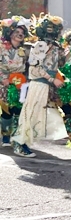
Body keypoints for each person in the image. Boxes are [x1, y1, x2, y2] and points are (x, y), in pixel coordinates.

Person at [11, 14, 69, 158]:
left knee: (52, 113)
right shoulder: (40, 45)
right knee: (30, 114)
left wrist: (68, 53)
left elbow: (59, 65)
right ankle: (19, 142)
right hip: (38, 85)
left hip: (48, 85)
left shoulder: (55, 47)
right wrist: (52, 79)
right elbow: (35, 68)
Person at [0, 17, 31, 147]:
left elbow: (31, 66)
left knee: (18, 110)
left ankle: (16, 136)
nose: (20, 34)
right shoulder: (2, 48)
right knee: (7, 112)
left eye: (22, 33)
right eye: (17, 32)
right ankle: (6, 136)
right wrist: (3, 79)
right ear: (10, 33)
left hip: (21, 85)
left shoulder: (26, 50)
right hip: (5, 84)